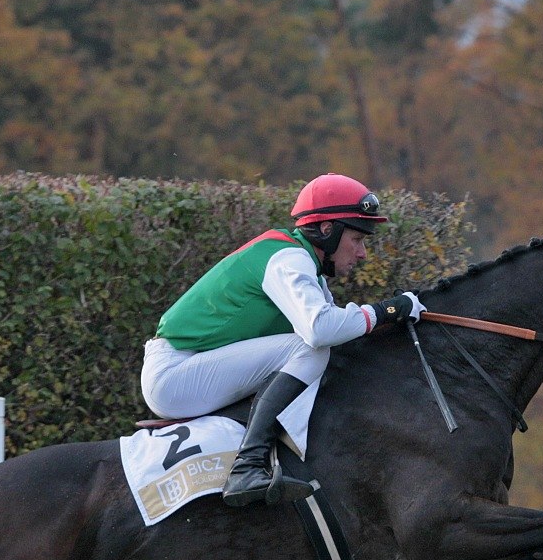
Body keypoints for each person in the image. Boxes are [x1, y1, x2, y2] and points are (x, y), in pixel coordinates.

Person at [141, 173, 425, 507]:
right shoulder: (289, 259)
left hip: (192, 368)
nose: (362, 253)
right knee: (309, 348)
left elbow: (338, 330)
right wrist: (387, 309)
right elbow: (320, 330)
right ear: (328, 230)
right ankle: (247, 467)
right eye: (357, 239)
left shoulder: (305, 266)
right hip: (175, 375)